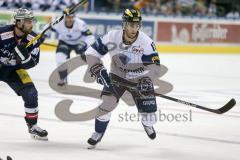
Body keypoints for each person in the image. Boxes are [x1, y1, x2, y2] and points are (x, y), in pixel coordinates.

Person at [85, 8, 161, 148]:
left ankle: (147, 123)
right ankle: (98, 132)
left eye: (137, 25)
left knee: (150, 118)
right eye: (131, 25)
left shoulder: (146, 42)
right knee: (106, 105)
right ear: (124, 24)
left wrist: (146, 80)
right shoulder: (112, 36)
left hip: (139, 79)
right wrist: (97, 69)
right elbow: (91, 52)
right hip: (117, 77)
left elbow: (155, 66)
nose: (134, 28)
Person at [0, 8, 48, 140]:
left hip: (14, 70)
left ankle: (32, 126)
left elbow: (33, 63)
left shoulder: (33, 39)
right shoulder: (2, 33)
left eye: (31, 21)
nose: (31, 24)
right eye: (27, 21)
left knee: (31, 93)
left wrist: (24, 58)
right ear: (17, 22)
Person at [51, 10, 95, 86]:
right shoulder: (57, 22)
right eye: (68, 17)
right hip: (64, 42)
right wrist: (42, 38)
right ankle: (63, 79)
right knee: (59, 60)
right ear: (64, 17)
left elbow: (91, 37)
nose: (70, 19)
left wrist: (84, 44)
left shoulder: (80, 24)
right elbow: (47, 29)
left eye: (72, 17)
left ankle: (98, 73)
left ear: (74, 17)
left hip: (79, 42)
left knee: (89, 59)